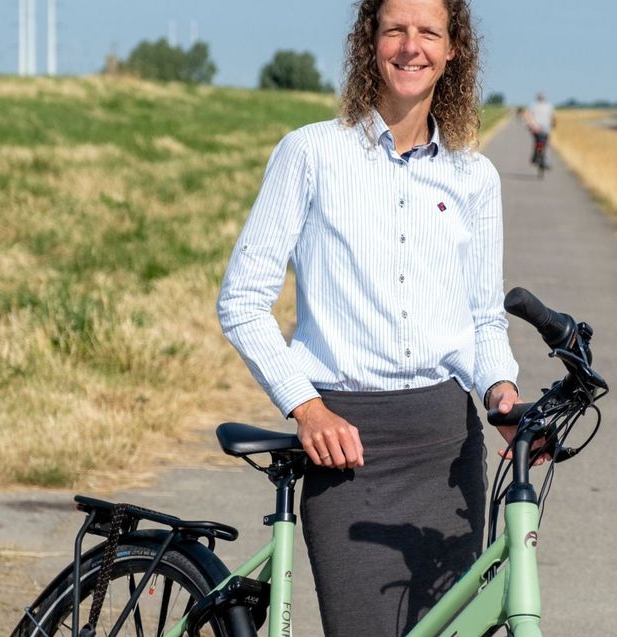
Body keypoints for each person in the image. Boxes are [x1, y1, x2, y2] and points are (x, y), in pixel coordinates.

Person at [216, 0, 521, 635]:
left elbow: (484, 317)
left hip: (447, 447)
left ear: (452, 50)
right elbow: (242, 300)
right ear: (370, 43)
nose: (411, 46)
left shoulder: (475, 176)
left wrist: (502, 394)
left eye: (429, 32)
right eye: (395, 29)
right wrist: (307, 407)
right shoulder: (310, 153)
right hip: (344, 446)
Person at [523, 91, 556, 168]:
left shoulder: (533, 105)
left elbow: (526, 116)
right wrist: (554, 124)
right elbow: (553, 116)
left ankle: (536, 157)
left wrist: (531, 125)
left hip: (537, 128)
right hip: (543, 128)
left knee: (539, 143)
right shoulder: (548, 105)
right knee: (545, 145)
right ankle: (544, 160)